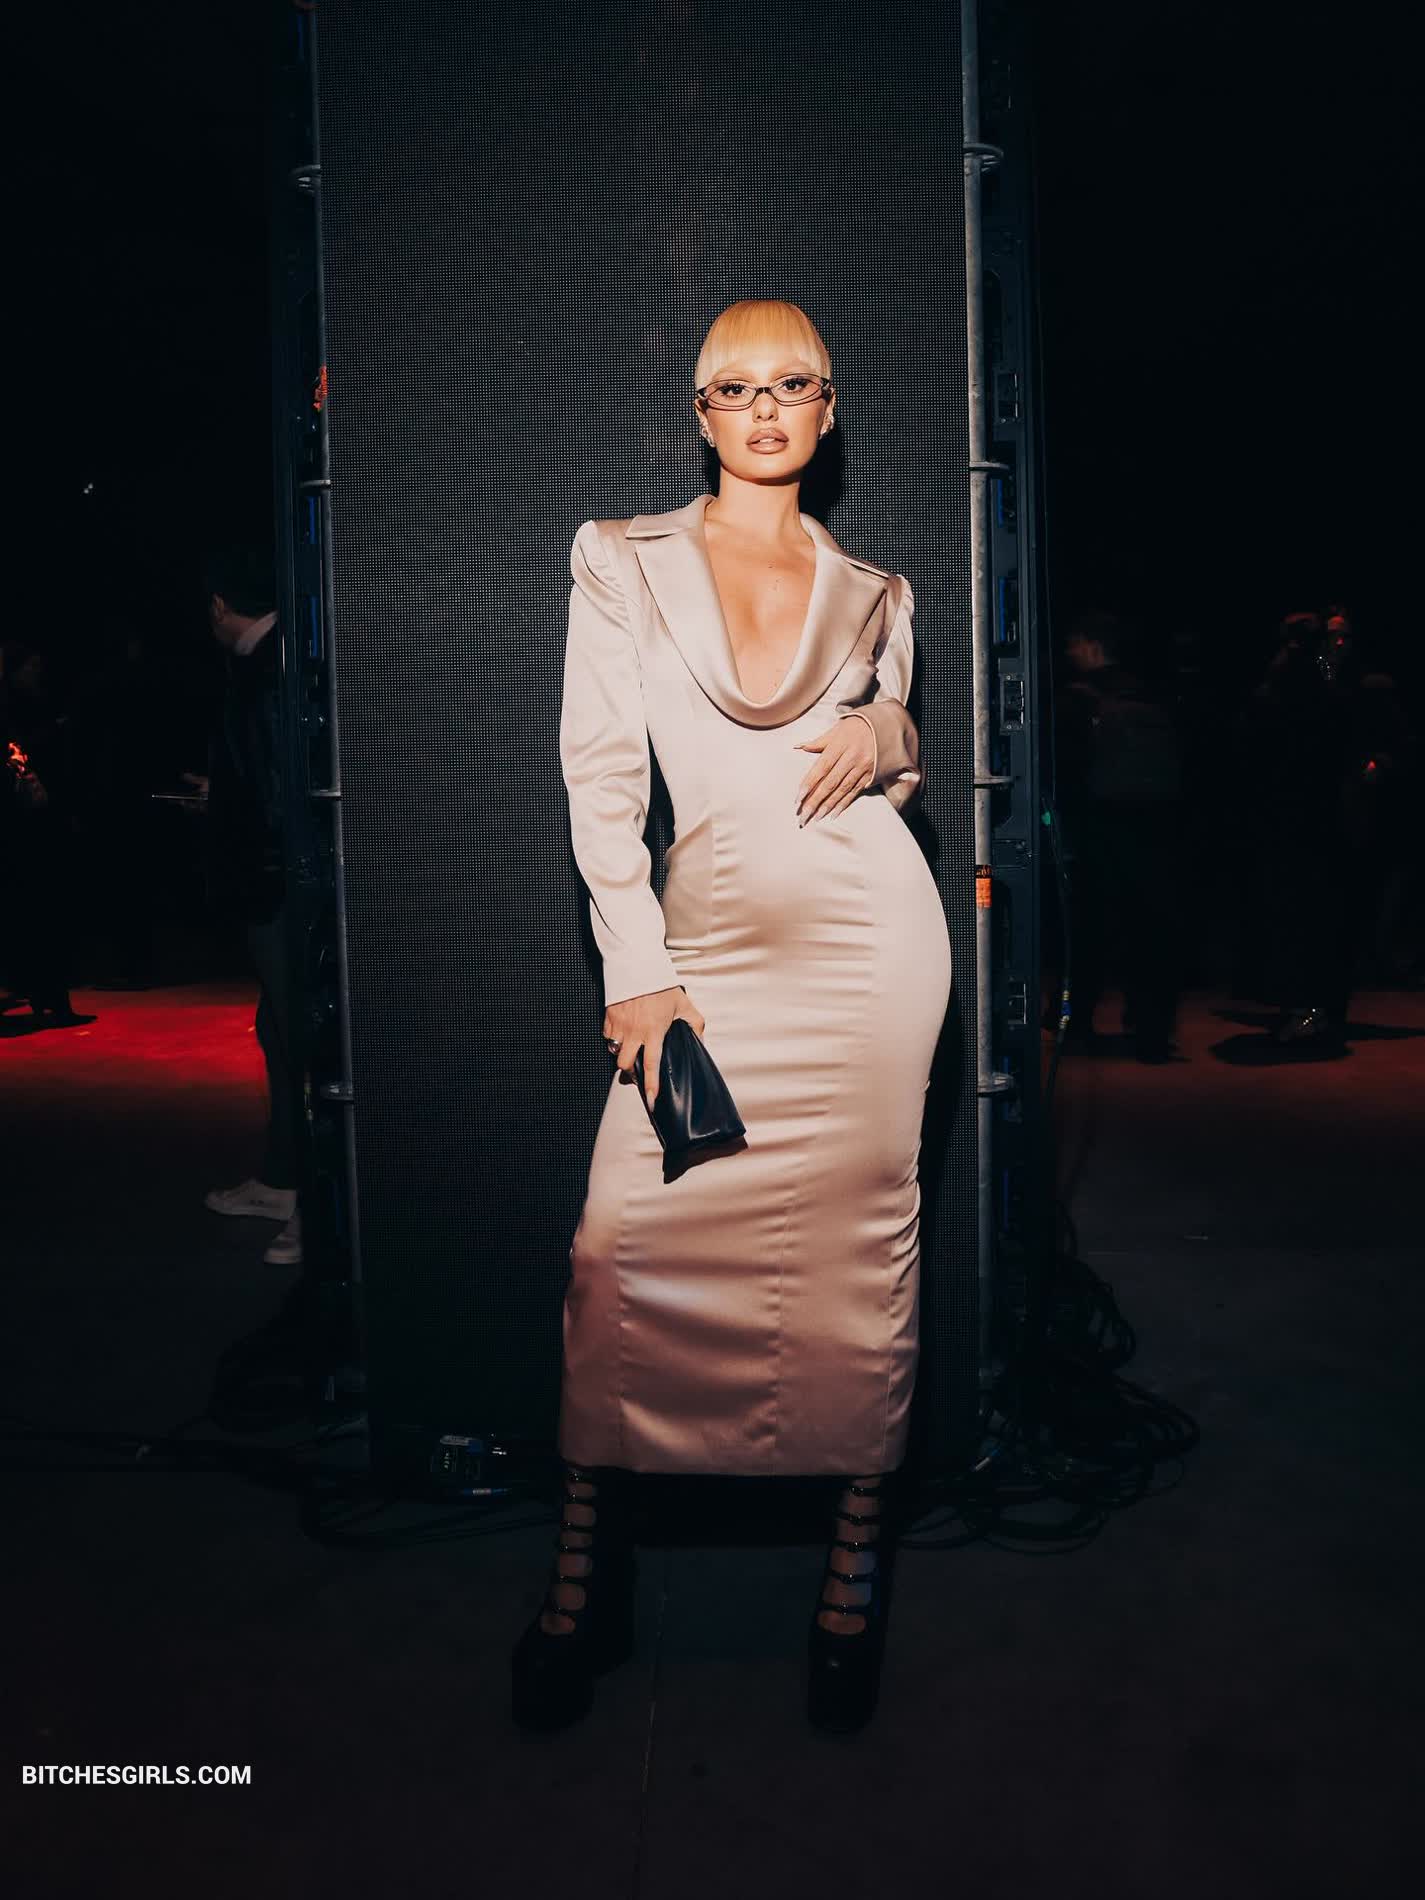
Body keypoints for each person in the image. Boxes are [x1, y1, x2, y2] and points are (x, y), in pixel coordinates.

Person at [511, 299, 953, 1735]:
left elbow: (896, 766)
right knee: (618, 1250)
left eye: (794, 384)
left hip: (869, 946)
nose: (765, 409)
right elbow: (598, 781)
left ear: (829, 411)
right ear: (699, 412)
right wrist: (636, 968)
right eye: (734, 387)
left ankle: (850, 1574)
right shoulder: (621, 557)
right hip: (700, 949)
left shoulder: (878, 590)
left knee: (860, 1254)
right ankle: (585, 1579)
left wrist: (892, 732)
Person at [197, 553, 304, 1267]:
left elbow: (279, 793)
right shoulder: (272, 659)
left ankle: (315, 1212)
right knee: (279, 1032)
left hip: (281, 887)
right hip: (278, 881)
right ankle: (283, 1179)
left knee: (302, 1044)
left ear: (218, 604)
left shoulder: (271, 668)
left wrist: (240, 830)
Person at [1057, 610, 1185, 1061]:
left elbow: (1067, 769)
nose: (1070, 651)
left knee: (1088, 931)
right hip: (1155, 827)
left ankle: (1076, 1022)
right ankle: (1152, 1030)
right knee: (1150, 932)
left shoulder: (1078, 699)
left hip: (1099, 826)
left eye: (1075, 643)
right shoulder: (1151, 694)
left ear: (1093, 646)